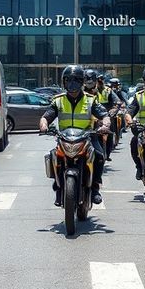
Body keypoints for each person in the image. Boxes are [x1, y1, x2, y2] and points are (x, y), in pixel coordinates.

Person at [39, 64, 110, 206]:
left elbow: (104, 115)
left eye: (76, 80)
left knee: (100, 156)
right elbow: (46, 116)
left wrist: (105, 125)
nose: (72, 84)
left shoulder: (90, 100)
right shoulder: (58, 100)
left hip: (88, 137)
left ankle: (95, 188)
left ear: (82, 82)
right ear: (64, 82)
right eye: (69, 80)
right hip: (64, 138)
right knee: (54, 156)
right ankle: (58, 188)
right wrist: (44, 125)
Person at [94, 74, 120, 161]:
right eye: (98, 81)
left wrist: (114, 109)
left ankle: (108, 154)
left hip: (107, 115)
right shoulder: (91, 91)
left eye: (101, 81)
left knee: (109, 134)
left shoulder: (108, 90)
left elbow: (117, 101)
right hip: (95, 116)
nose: (99, 83)